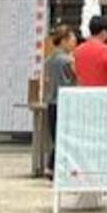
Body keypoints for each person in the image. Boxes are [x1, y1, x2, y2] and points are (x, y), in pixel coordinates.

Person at [37, 23, 77, 180]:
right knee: (65, 136)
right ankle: (53, 167)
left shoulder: (48, 60)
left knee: (57, 136)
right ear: (64, 41)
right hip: (65, 102)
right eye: (72, 39)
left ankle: (52, 167)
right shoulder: (68, 60)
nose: (74, 42)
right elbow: (76, 78)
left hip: (52, 102)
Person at [72, 12, 107, 88]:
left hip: (83, 95)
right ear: (103, 32)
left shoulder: (77, 51)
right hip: (103, 95)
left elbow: (75, 73)